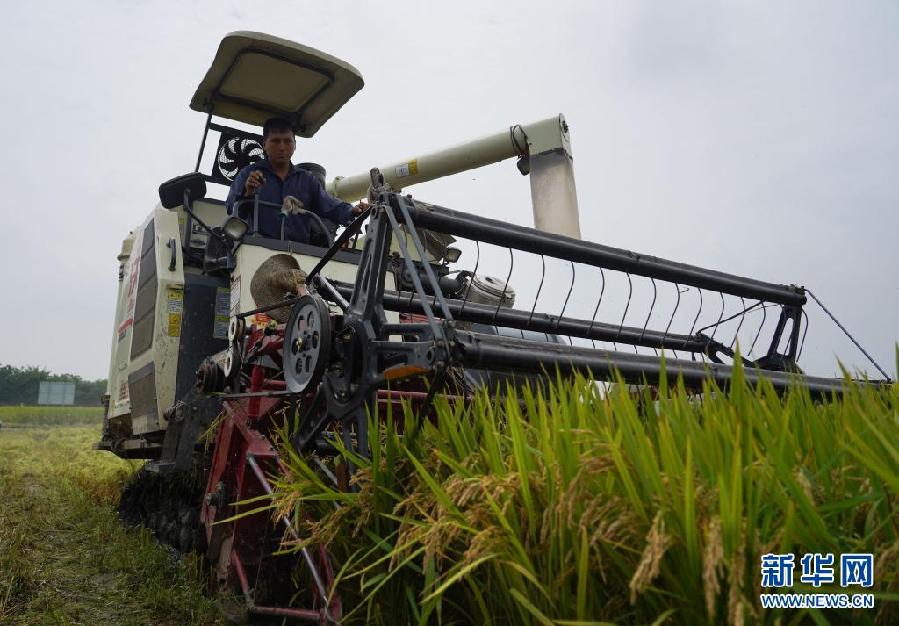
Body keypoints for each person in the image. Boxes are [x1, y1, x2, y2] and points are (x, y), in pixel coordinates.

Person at [226, 117, 366, 243]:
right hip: (257, 248)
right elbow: (232, 209)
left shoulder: (307, 180)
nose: (282, 147)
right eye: (275, 141)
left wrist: (353, 210)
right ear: (264, 144)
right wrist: (248, 193)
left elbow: (331, 206)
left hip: (298, 254)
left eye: (287, 141)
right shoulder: (248, 174)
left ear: (295, 144)